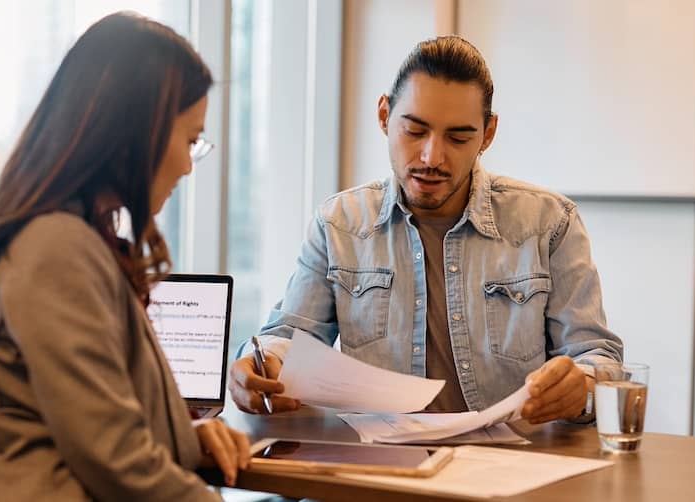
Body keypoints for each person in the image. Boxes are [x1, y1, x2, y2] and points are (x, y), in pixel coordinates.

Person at [0, 13, 248, 501]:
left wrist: (186, 437)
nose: (187, 165)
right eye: (187, 140)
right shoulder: (56, 250)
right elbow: (115, 459)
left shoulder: (65, 241)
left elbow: (93, 422)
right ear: (135, 133)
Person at [229, 36, 623, 424]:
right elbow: (290, 338)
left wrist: (584, 386)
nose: (432, 157)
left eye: (458, 137)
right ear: (384, 116)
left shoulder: (549, 222)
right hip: (378, 469)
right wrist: (260, 362)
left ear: (488, 134)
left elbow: (596, 356)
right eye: (415, 131)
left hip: (505, 471)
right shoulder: (339, 224)